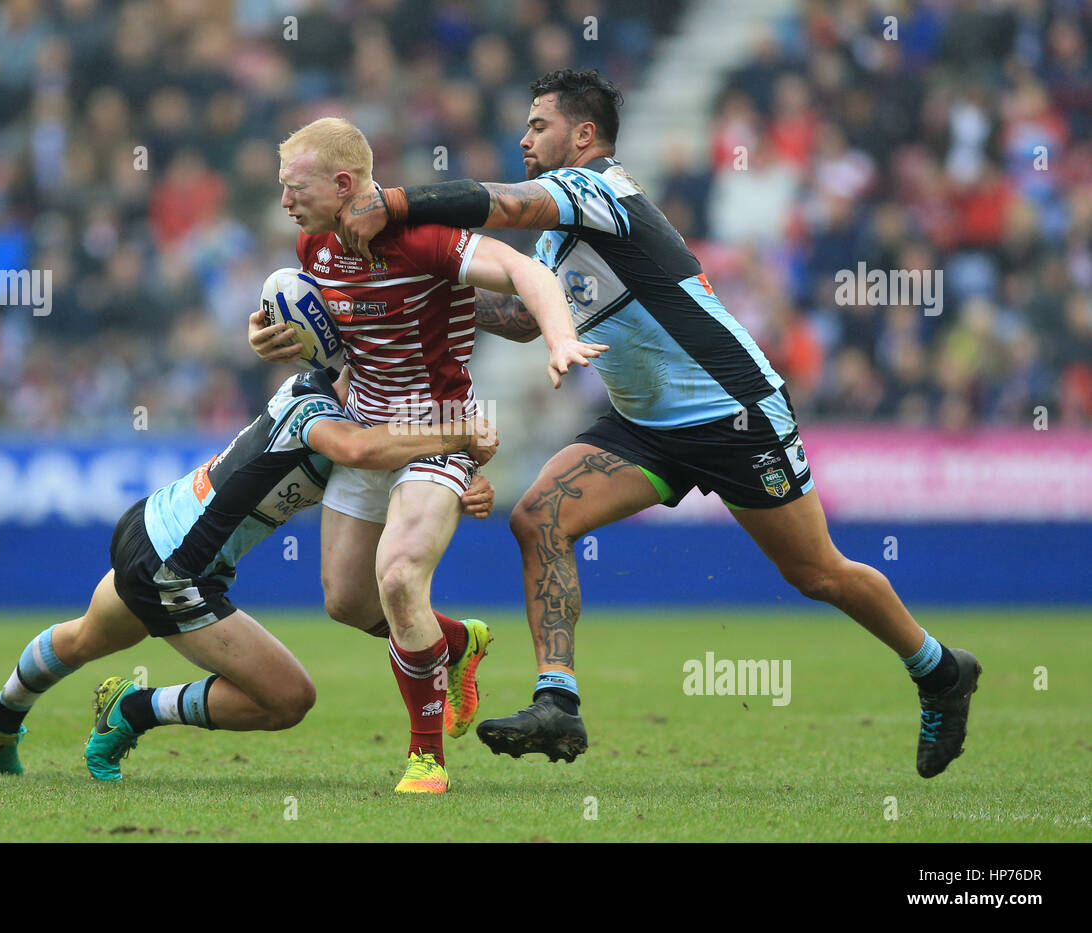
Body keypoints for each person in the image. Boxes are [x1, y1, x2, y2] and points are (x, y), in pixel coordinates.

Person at [338, 69, 980, 778]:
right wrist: (411, 293)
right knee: (539, 517)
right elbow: (522, 317)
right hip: (646, 426)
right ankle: (559, 702)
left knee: (816, 572)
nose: (523, 138)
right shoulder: (559, 238)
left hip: (731, 412)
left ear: (583, 135)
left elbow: (502, 204)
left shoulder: (597, 190)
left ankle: (939, 669)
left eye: (538, 126)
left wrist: (394, 205)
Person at [248, 117, 605, 792]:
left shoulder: (424, 238)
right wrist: (273, 338)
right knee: (347, 601)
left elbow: (523, 269)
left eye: (293, 187)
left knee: (400, 577)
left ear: (343, 183)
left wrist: (559, 340)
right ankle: (456, 642)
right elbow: (336, 337)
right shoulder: (314, 246)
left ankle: (425, 757)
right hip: (366, 431)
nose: (285, 199)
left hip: (441, 429)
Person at [0, 367, 497, 781]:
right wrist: (458, 439)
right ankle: (134, 708)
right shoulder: (317, 411)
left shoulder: (323, 399)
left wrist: (461, 481)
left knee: (83, 638)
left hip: (153, 527)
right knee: (289, 699)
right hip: (177, 567)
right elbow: (361, 449)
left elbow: (393, 471)